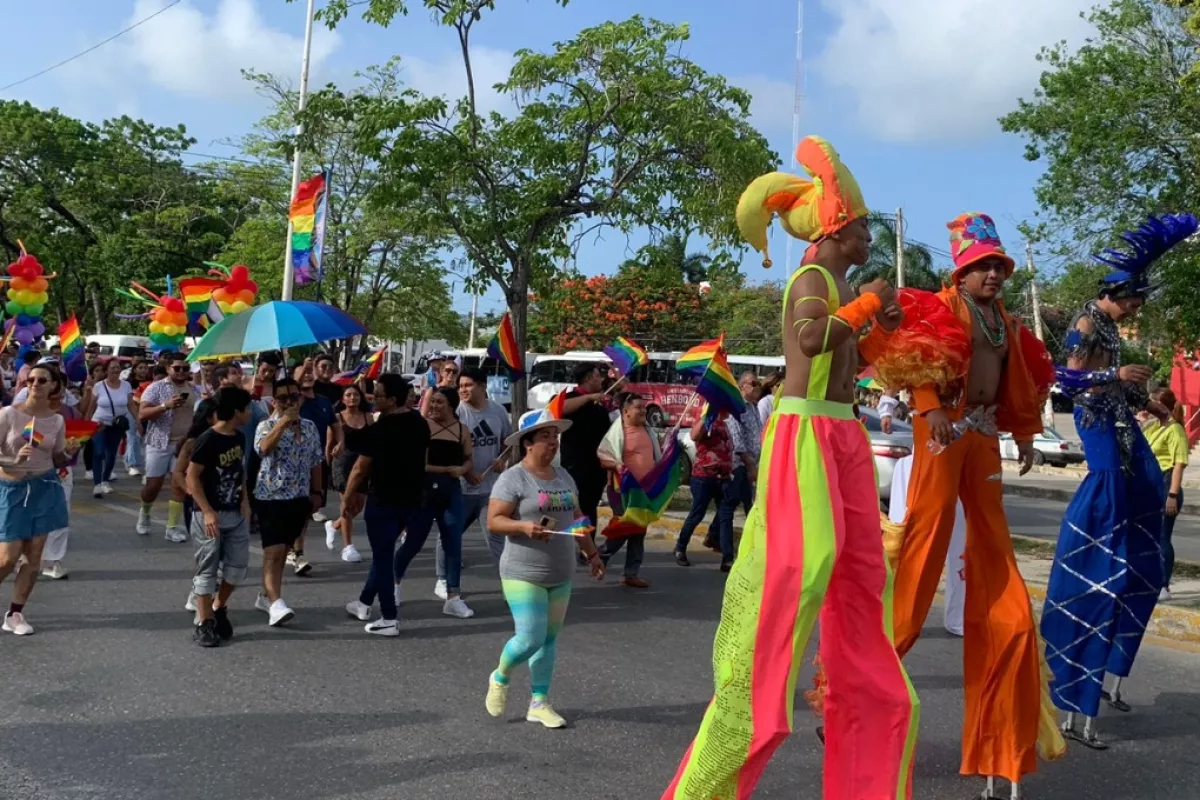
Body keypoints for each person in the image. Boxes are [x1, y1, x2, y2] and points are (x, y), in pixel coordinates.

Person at [662, 136, 917, 799]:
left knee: (862, 576)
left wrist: (881, 321)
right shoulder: (812, 279)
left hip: (844, 437)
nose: (869, 238)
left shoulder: (834, 283)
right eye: (862, 227)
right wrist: (863, 307)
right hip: (804, 434)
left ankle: (855, 709)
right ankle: (731, 745)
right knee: (806, 567)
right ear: (837, 228)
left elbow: (852, 363)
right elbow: (809, 340)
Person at [884, 213, 1050, 792]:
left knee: (1001, 586)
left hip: (981, 437)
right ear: (960, 272)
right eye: (982, 266)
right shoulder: (940, 307)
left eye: (998, 266)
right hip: (943, 433)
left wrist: (1025, 432)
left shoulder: (1005, 321)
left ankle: (1000, 738)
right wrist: (929, 411)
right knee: (923, 554)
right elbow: (915, 365)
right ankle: (861, 673)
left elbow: (1021, 379)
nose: (993, 274)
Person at [1042, 214, 1197, 745]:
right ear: (1118, 293)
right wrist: (1115, 375)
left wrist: (1148, 399)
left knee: (1148, 525)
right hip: (1100, 433)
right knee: (1108, 521)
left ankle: (1110, 660)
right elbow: (1064, 379)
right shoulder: (1086, 323)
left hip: (1124, 427)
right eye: (1134, 300)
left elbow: (1114, 387)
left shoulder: (1107, 327)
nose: (1137, 309)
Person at [484, 410, 605, 729]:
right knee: (530, 638)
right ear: (527, 443)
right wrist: (524, 526)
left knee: (549, 640)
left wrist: (592, 554)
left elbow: (578, 518)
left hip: (561, 572)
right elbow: (494, 521)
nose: (553, 443)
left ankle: (539, 702)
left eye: (555, 437)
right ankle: (500, 676)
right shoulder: (513, 478)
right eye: (545, 437)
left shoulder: (564, 476)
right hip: (522, 572)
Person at [343, 374, 429, 636]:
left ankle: (389, 617)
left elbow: (360, 468)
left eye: (378, 394)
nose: (374, 398)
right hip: (411, 500)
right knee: (384, 553)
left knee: (381, 558)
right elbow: (422, 461)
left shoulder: (381, 429)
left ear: (392, 399)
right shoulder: (420, 423)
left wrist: (347, 498)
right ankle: (364, 601)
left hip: (383, 500)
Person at [0, 363, 78, 636]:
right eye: (31, 379)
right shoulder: (8, 415)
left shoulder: (56, 420)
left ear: (54, 385)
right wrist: (12, 459)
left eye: (41, 380)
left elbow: (57, 458)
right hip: (11, 490)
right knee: (7, 558)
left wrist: (69, 452)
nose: (34, 384)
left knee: (34, 556)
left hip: (44, 487)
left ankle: (15, 613)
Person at [388, 387, 475, 618]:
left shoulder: (461, 430)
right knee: (414, 542)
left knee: (453, 543)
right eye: (432, 401)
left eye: (440, 402)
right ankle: (393, 584)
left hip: (452, 493)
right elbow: (417, 464)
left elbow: (468, 460)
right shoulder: (422, 427)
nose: (434, 406)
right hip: (424, 492)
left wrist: (463, 470)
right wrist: (446, 469)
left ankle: (453, 597)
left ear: (451, 406)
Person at [432, 366, 512, 600]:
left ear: (482, 386)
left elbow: (506, 441)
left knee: (496, 534)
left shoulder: (497, 411)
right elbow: (448, 450)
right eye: (460, 386)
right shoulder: (456, 412)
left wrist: (502, 460)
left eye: (468, 385)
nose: (463, 390)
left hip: (491, 489)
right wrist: (466, 473)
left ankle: (509, 582)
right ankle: (443, 578)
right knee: (450, 533)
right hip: (462, 489)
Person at [252, 377, 323, 626]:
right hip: (271, 496)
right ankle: (276, 603)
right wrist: (282, 422)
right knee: (273, 551)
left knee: (283, 551)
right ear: (275, 401)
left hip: (299, 497)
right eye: (283, 398)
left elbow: (316, 461)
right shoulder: (265, 425)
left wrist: (317, 492)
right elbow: (262, 449)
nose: (289, 402)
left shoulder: (310, 427)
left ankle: (265, 595)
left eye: (293, 397)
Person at [186, 387, 253, 647]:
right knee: (207, 570)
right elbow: (192, 478)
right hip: (210, 516)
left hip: (235, 513)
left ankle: (218, 606)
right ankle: (204, 622)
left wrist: (245, 501)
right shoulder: (207, 439)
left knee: (237, 569)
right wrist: (207, 512)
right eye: (247, 408)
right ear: (236, 411)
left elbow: (241, 471)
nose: (249, 413)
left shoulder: (239, 437)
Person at [595, 393, 659, 586]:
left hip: (644, 490)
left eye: (644, 407)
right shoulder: (617, 432)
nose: (643, 411)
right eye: (638, 407)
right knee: (624, 527)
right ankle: (600, 555)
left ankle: (631, 573)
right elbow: (603, 456)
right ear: (626, 411)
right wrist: (616, 465)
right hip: (621, 489)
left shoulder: (648, 430)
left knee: (639, 530)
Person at [137, 351, 198, 542]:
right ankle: (145, 512)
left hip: (184, 445)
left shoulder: (195, 390)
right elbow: (143, 413)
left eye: (185, 368)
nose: (181, 372)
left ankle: (172, 527)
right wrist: (165, 406)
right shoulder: (156, 388)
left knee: (179, 484)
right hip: (159, 443)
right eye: (177, 368)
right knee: (153, 485)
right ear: (168, 368)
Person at [290, 361, 340, 573]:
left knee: (304, 509)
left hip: (314, 461)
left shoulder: (323, 401)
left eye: (311, 373)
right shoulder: (294, 402)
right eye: (305, 373)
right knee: (291, 511)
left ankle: (297, 551)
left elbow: (335, 424)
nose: (308, 376)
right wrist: (304, 369)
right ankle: (288, 548)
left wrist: (340, 442)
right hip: (291, 462)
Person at [672, 409, 736, 571]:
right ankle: (680, 547)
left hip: (724, 479)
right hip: (704, 477)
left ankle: (727, 558)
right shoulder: (707, 422)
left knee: (725, 517)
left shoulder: (725, 425)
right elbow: (694, 436)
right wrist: (707, 415)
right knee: (697, 514)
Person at [1142, 387, 1188, 601]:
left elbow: (1179, 464)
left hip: (1167, 484)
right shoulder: (1153, 427)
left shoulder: (1175, 430)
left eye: (1153, 403)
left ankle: (1163, 585)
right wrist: (1141, 422)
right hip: (1150, 485)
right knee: (1147, 538)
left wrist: (1172, 494)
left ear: (1164, 406)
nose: (1149, 407)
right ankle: (1149, 579)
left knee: (1162, 537)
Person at [559, 363, 614, 542]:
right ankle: (570, 542)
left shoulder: (600, 407)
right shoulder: (569, 398)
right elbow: (559, 409)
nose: (602, 380)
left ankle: (587, 547)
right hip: (574, 466)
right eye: (599, 375)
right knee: (573, 507)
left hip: (595, 467)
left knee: (590, 508)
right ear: (589, 377)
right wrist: (589, 398)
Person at [41, 369, 81, 581]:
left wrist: (77, 445)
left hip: (63, 470)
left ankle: (52, 560)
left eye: (59, 384)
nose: (55, 389)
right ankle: (22, 557)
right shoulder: (30, 412)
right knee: (32, 513)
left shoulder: (71, 412)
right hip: (34, 469)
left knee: (60, 513)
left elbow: (77, 439)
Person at [325, 383, 371, 562]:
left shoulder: (368, 417)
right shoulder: (337, 418)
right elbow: (329, 445)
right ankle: (348, 547)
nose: (353, 398)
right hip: (343, 464)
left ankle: (334, 525)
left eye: (356, 395)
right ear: (343, 399)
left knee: (358, 506)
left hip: (364, 464)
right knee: (347, 501)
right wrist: (328, 467)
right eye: (349, 395)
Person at [86, 357, 135, 498]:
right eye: (112, 367)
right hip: (99, 424)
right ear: (106, 370)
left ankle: (105, 480)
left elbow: (131, 404)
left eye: (118, 367)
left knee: (111, 454)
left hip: (117, 425)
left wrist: (137, 420)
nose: (115, 370)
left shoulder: (126, 385)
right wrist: (87, 424)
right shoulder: (99, 386)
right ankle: (97, 485)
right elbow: (91, 407)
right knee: (99, 452)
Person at [123, 359, 151, 477]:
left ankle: (128, 458)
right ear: (134, 370)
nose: (143, 370)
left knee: (141, 438)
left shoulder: (151, 383)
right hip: (130, 412)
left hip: (146, 412)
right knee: (132, 437)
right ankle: (132, 465)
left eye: (145, 368)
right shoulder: (128, 383)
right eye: (140, 368)